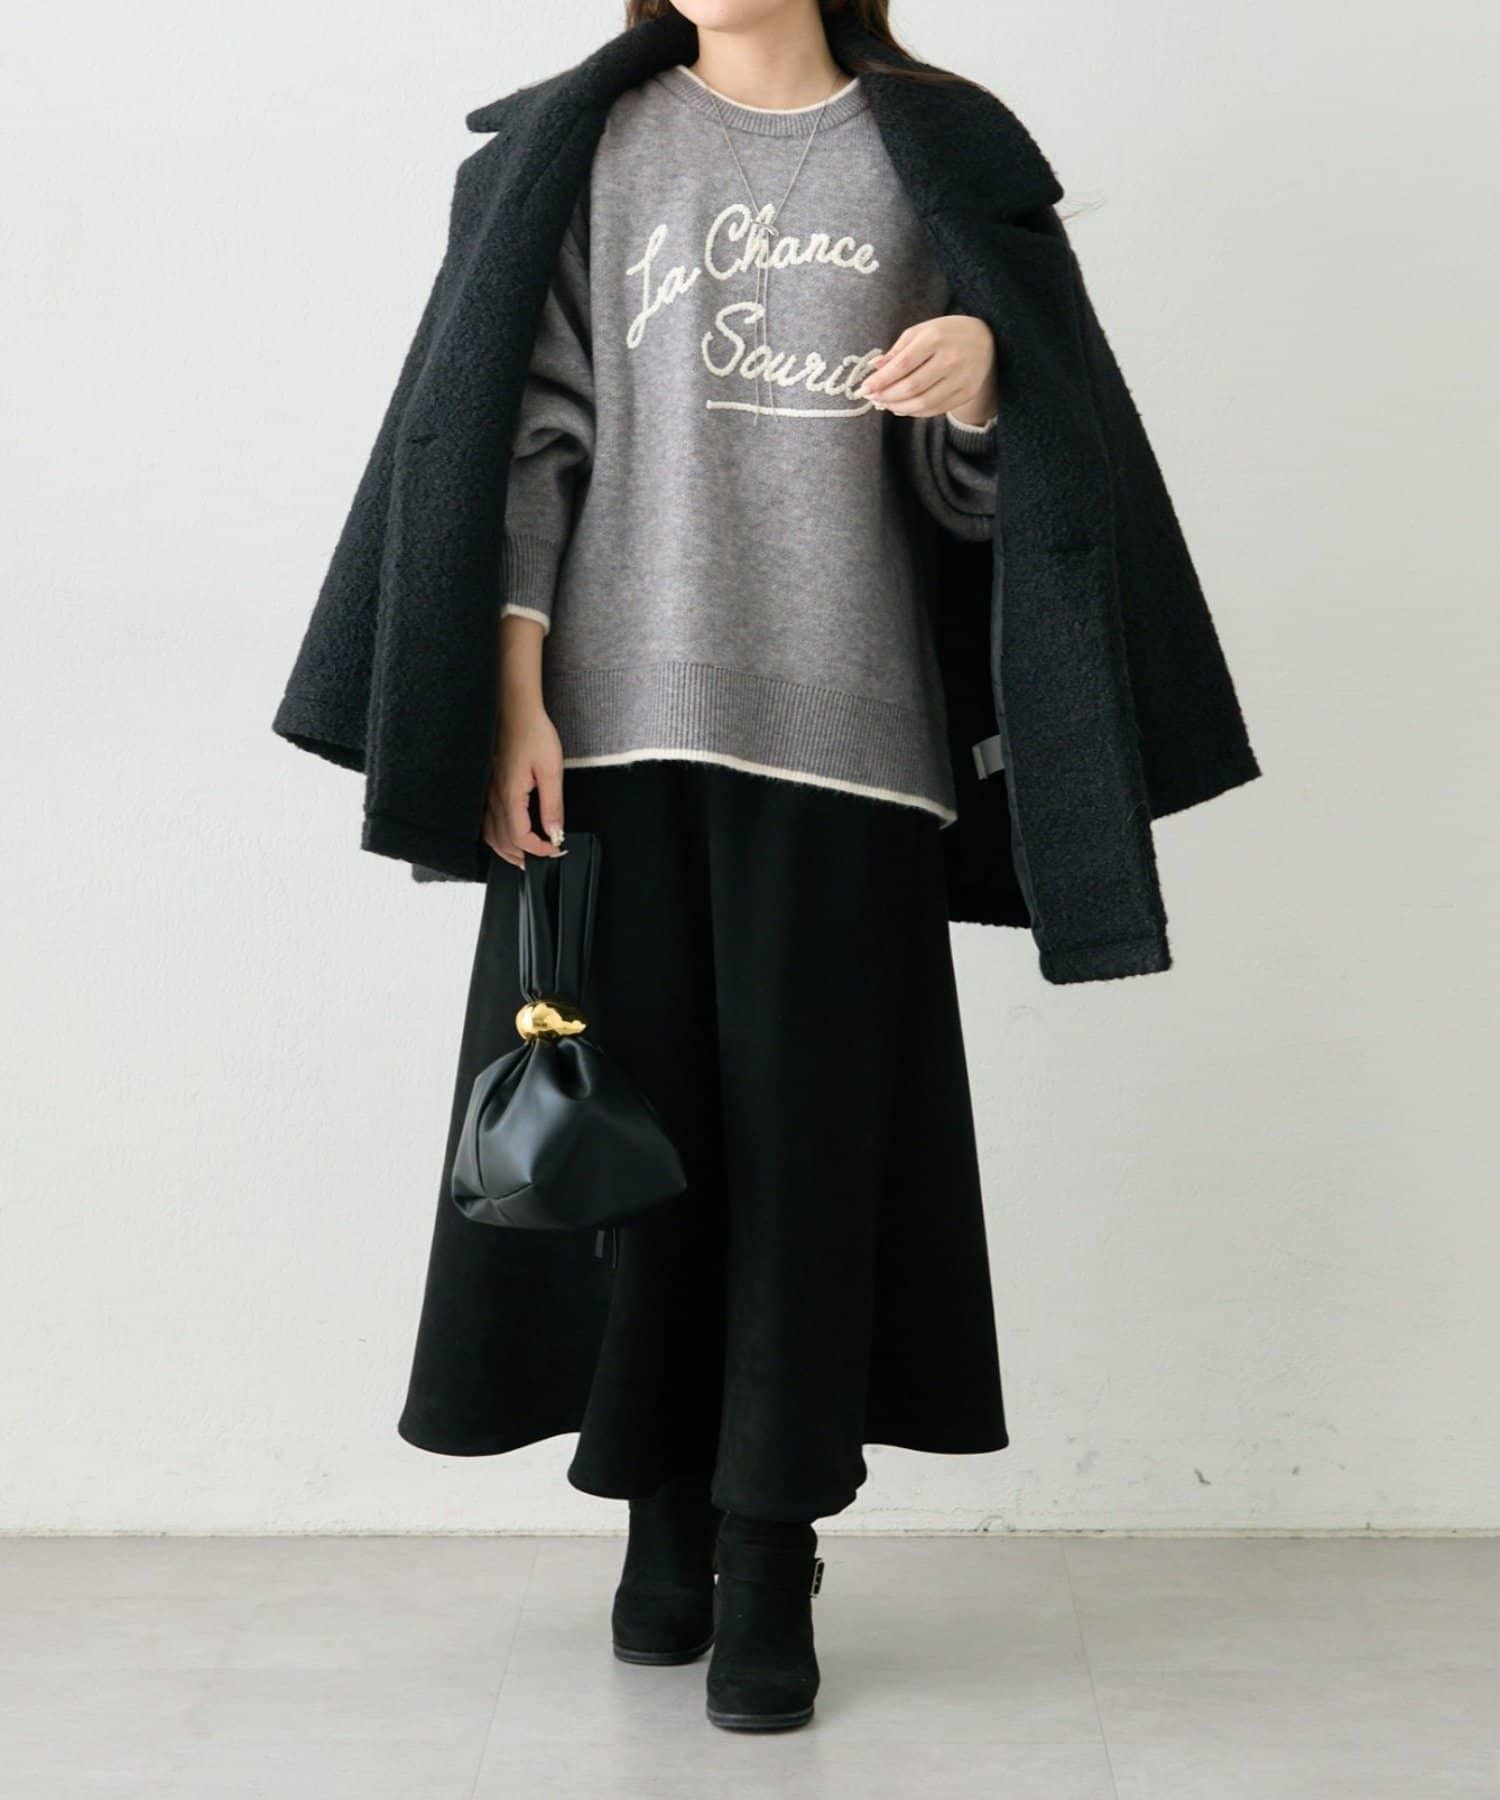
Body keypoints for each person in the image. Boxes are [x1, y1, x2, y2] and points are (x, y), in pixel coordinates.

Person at [272, 0, 1258, 1734]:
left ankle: (770, 1547)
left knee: (808, 1163)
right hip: (611, 732)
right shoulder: (586, 145)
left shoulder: (938, 148)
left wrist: (987, 387)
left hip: (852, 739)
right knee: (627, 1145)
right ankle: (659, 1523)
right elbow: (525, 430)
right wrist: (511, 693)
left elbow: (1001, 504)